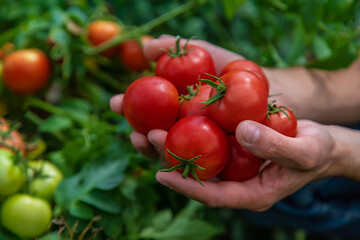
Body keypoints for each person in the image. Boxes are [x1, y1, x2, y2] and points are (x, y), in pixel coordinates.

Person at [110, 35, 360, 238]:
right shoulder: (219, 94)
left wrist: (342, 153)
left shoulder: (214, 100)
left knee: (288, 193)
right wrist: (276, 85)